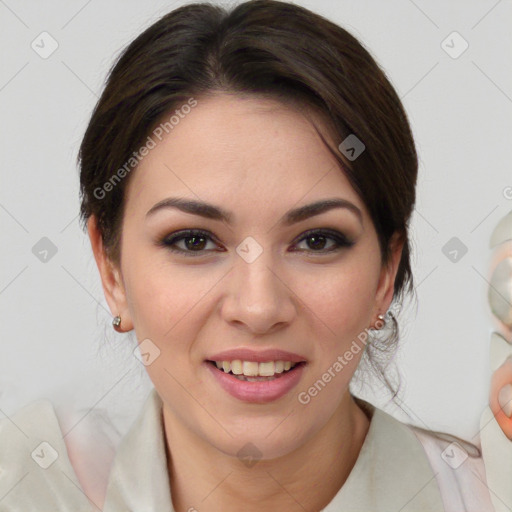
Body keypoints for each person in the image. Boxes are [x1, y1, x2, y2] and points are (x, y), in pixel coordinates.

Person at [0, 1, 496, 510]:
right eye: (194, 241)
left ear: (385, 273)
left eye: (317, 240)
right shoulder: (25, 486)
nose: (258, 309)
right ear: (111, 270)